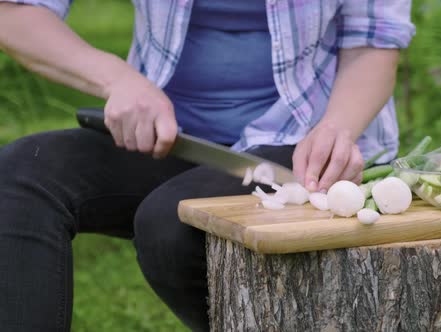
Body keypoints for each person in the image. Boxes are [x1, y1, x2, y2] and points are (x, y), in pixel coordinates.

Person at [0, 0, 415, 330]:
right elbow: (15, 12)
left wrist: (337, 129)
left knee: (172, 225)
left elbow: (374, 43)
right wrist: (118, 79)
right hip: (168, 134)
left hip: (301, 140)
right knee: (23, 174)